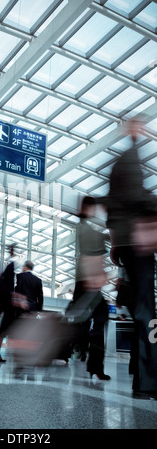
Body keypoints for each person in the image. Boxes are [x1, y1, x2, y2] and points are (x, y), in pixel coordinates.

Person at [106, 117, 157, 399]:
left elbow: (112, 208)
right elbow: (139, 199)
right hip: (140, 245)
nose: (144, 130)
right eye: (140, 126)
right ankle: (148, 381)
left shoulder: (120, 164)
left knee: (143, 313)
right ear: (131, 129)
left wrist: (115, 244)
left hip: (128, 245)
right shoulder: (130, 160)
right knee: (148, 314)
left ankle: (143, 378)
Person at [73, 196, 110, 380]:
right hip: (88, 282)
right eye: (93, 208)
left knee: (91, 320)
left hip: (86, 281)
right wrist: (94, 278)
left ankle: (91, 360)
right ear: (88, 208)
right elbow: (89, 257)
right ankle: (92, 361)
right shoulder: (87, 230)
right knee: (99, 318)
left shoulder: (83, 227)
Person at [0, 245, 20, 362]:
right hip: (7, 302)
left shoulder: (4, 274)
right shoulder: (9, 271)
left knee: (4, 329)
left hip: (4, 302)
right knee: (7, 328)